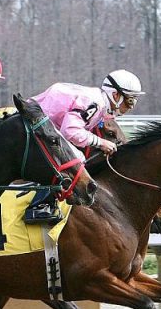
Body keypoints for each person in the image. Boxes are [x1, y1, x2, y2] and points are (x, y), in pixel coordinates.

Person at [24, 69, 144, 224]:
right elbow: (70, 131)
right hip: (35, 126)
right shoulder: (96, 103)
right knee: (75, 159)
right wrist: (101, 143)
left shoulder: (98, 103)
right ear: (116, 95)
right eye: (130, 101)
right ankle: (39, 205)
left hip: (42, 124)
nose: (131, 106)